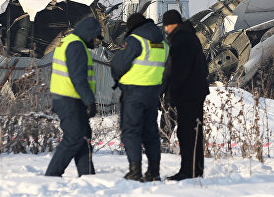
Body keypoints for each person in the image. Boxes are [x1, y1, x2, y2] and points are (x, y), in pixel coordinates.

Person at [111, 13, 168, 182]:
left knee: (131, 131)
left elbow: (119, 64)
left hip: (133, 92)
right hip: (152, 93)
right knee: (151, 133)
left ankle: (135, 171)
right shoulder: (163, 43)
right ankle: (154, 172)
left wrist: (118, 78)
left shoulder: (136, 40)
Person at [45, 17, 102, 177]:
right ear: (89, 33)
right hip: (70, 100)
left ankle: (87, 175)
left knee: (83, 138)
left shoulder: (69, 42)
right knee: (75, 138)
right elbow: (78, 78)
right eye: (95, 36)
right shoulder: (76, 46)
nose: (95, 40)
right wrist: (89, 101)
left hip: (67, 98)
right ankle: (52, 175)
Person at [160, 10, 209, 181]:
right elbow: (204, 66)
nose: (165, 29)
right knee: (195, 133)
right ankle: (196, 170)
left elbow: (178, 71)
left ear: (173, 24)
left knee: (186, 133)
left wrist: (172, 94)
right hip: (197, 92)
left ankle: (188, 171)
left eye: (166, 25)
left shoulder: (180, 40)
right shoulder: (191, 37)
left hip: (187, 94)